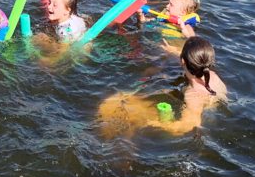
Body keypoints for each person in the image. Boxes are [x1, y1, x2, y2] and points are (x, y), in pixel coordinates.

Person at [97, 36, 226, 136]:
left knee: (125, 105)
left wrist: (153, 123)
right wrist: (173, 51)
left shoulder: (193, 95)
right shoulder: (212, 76)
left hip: (205, 122)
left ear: (182, 61)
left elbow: (188, 126)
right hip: (218, 116)